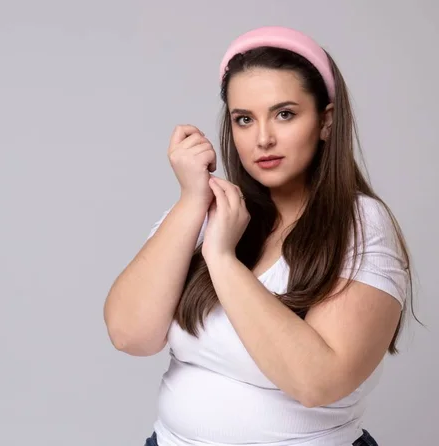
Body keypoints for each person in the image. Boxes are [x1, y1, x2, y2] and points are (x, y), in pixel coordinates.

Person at [103, 26, 416, 446]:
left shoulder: (359, 223)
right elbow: (130, 334)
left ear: (325, 120)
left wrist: (222, 258)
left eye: (284, 114)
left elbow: (317, 382)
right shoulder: (208, 211)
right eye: (244, 119)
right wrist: (192, 202)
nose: (263, 138)